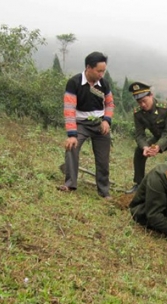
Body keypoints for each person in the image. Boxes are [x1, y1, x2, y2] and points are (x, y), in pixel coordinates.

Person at [57, 51, 115, 200]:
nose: (101, 74)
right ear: (88, 68)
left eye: (104, 71)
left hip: (99, 124)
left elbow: (110, 104)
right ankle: (70, 184)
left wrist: (106, 120)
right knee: (71, 148)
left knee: (103, 159)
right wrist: (71, 135)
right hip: (80, 123)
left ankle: (104, 191)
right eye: (99, 71)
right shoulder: (74, 82)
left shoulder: (104, 84)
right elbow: (69, 109)